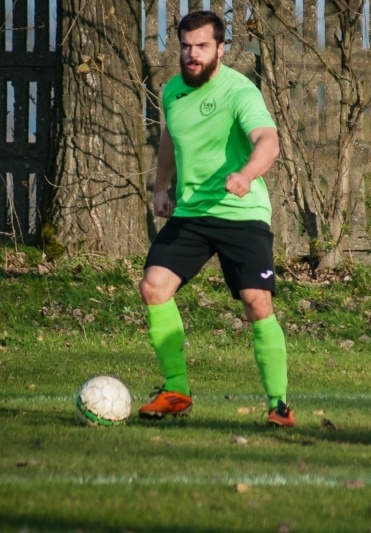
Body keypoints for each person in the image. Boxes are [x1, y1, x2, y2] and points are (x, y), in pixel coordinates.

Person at [137, 11, 294, 427]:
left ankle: (279, 404)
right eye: (186, 46)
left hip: (240, 213)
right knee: (154, 287)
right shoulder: (172, 91)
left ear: (221, 49)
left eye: (202, 46)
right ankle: (176, 391)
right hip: (192, 213)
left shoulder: (240, 92)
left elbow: (268, 141)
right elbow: (171, 135)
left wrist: (246, 174)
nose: (192, 54)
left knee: (256, 301)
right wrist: (160, 186)